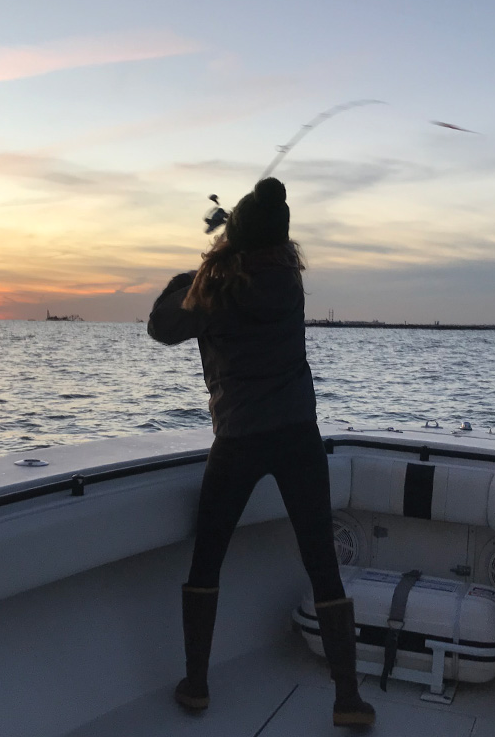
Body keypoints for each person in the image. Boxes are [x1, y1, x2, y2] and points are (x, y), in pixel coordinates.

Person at [147, 177, 376, 728]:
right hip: (298, 435)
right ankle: (347, 697)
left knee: (208, 559)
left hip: (240, 437)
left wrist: (193, 271)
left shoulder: (217, 287)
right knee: (322, 564)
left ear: (238, 237)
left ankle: (197, 684)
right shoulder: (289, 282)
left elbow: (161, 326)